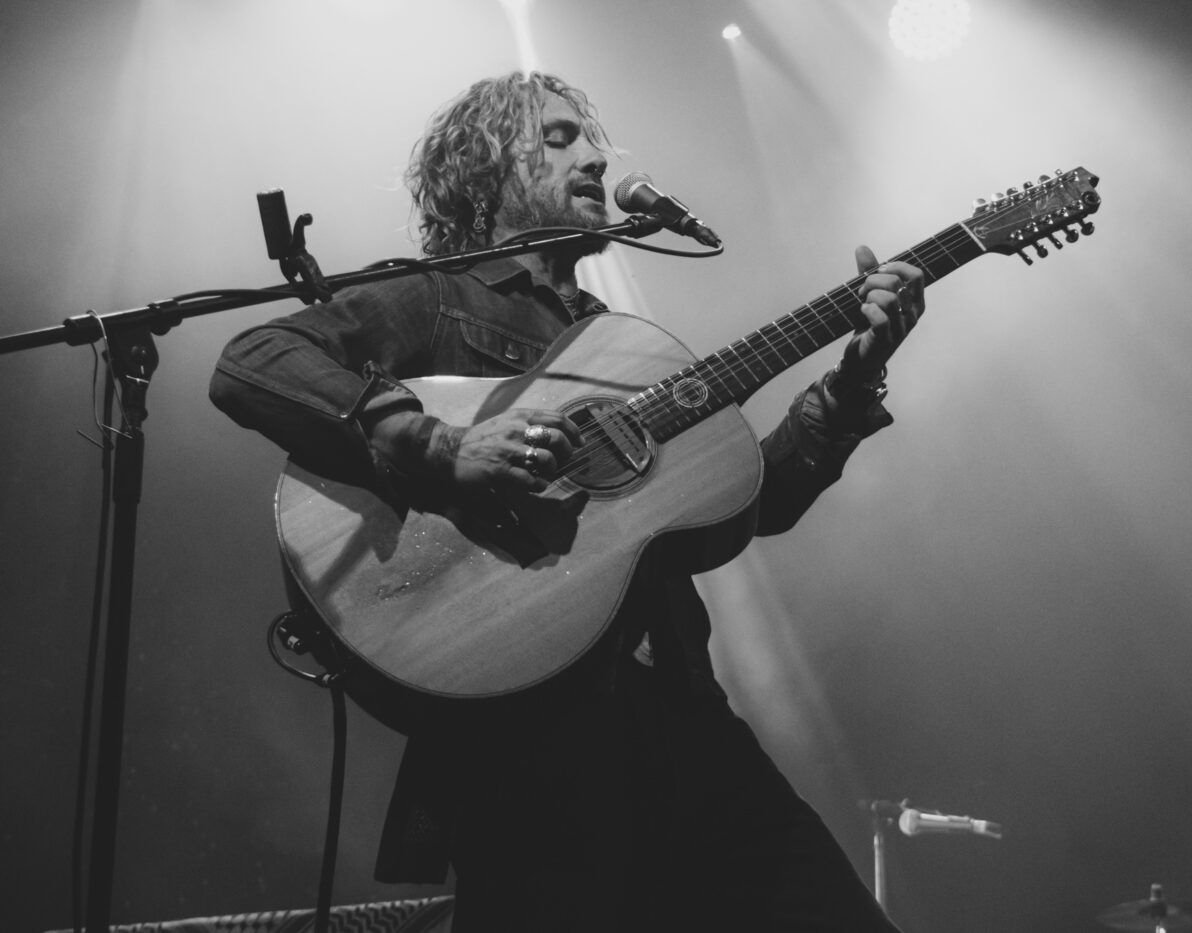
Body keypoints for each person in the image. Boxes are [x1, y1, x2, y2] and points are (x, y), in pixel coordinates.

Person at [210, 71, 924, 932]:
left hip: (683, 714)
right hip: (528, 736)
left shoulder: (625, 347)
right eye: (559, 140)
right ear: (482, 169)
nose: (594, 157)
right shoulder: (437, 297)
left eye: (593, 139)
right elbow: (255, 357)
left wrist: (850, 387)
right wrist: (440, 445)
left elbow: (748, 503)